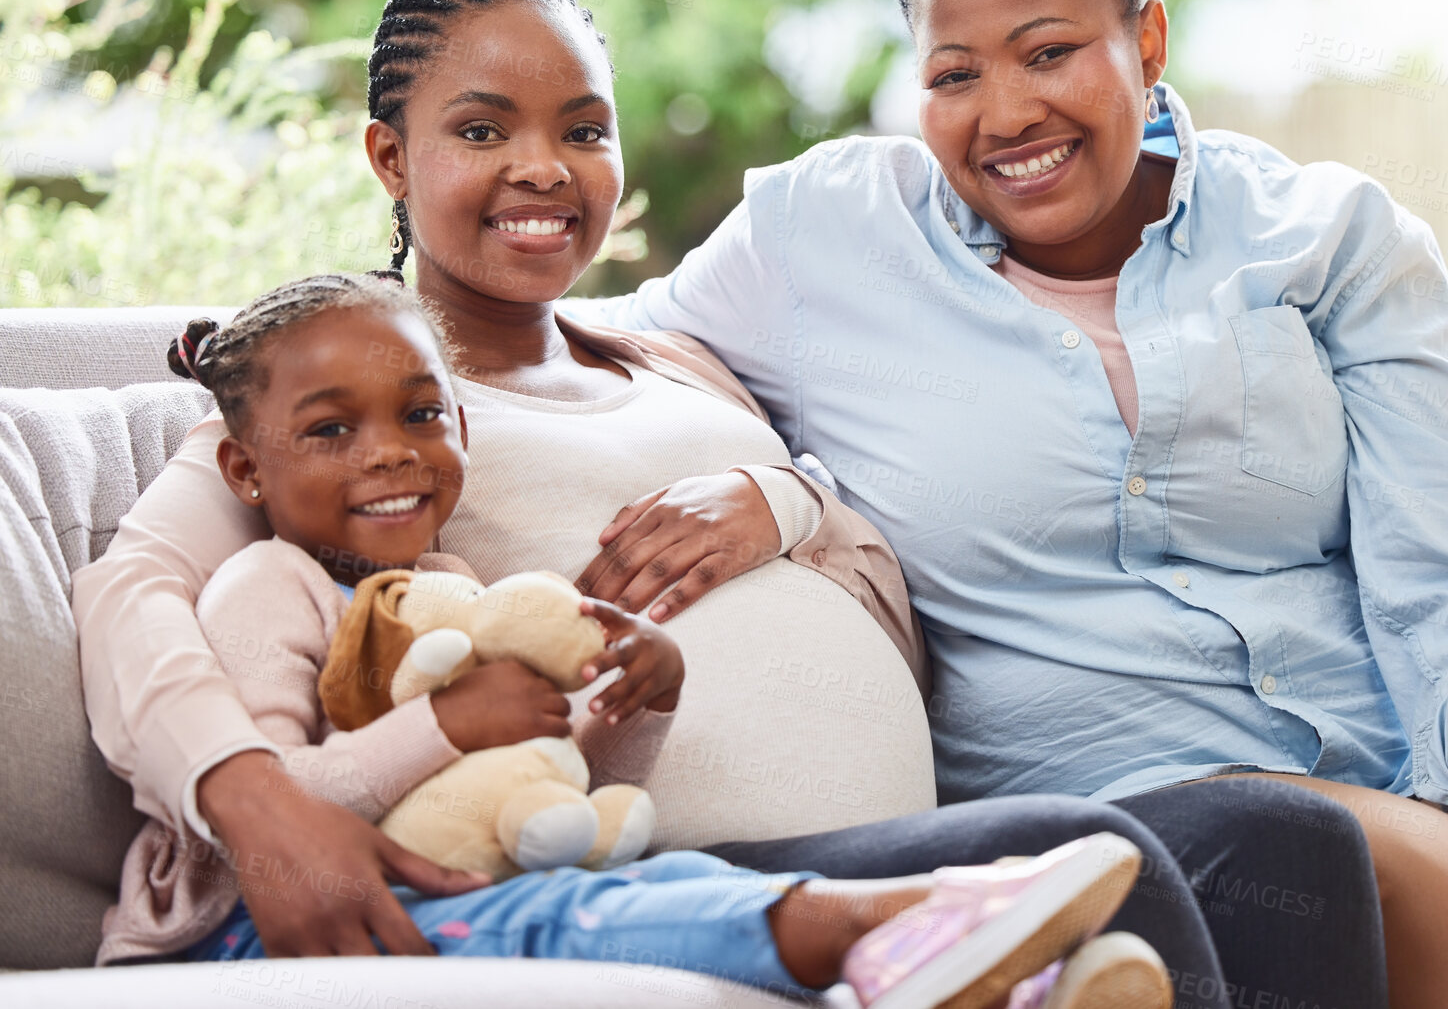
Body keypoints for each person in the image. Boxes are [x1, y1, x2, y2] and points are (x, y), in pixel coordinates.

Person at [71, 0, 1386, 1009]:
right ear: (388, 161)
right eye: (484, 129)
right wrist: (251, 800)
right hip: (639, 855)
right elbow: (135, 589)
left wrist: (782, 504)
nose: (541, 168)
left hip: (888, 816)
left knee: (1292, 849)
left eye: (580, 129)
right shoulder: (360, 408)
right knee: (1115, 874)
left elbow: (878, 558)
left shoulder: (677, 353)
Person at [568, 0, 1448, 1009]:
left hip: (1429, 745)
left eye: (1050, 52)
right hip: (1191, 818)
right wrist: (788, 491)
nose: (1006, 112)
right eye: (954, 73)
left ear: (1146, 41)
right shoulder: (824, 239)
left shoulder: (1325, 236)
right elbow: (589, 352)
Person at [98, 269, 1156, 1009]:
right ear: (246, 470)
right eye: (334, 430)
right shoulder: (265, 581)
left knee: (643, 888)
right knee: (593, 911)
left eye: (423, 415)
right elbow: (277, 824)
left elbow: (544, 766)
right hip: (253, 926)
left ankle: (940, 960)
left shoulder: (460, 581)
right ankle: (884, 924)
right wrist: (446, 721)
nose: (389, 455)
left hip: (479, 872)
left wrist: (637, 700)